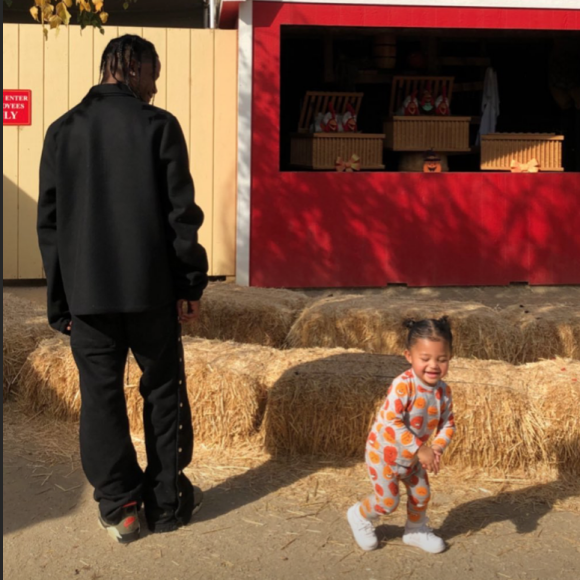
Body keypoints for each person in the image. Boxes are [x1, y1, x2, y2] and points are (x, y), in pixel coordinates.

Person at [37, 35, 209, 543]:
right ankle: (167, 501)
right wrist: (190, 283)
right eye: (153, 74)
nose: (155, 88)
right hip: (151, 293)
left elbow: (49, 224)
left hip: (87, 299)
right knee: (162, 392)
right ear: (131, 68)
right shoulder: (159, 126)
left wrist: (59, 302)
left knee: (101, 399)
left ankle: (121, 508)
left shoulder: (61, 132)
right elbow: (181, 216)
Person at [347, 317, 456, 554]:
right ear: (409, 356)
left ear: (450, 358)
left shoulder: (443, 391)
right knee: (387, 503)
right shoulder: (402, 385)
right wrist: (420, 448)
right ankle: (359, 515)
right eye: (425, 359)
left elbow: (448, 424)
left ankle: (415, 531)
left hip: (413, 459)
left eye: (442, 359)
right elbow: (390, 421)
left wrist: (436, 447)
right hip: (383, 455)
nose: (433, 365)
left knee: (421, 494)